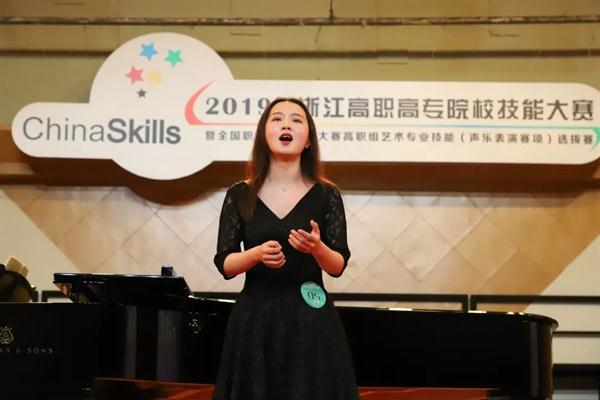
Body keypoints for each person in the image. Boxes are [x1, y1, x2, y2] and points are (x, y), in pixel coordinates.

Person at [212, 97, 359, 400]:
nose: (286, 125)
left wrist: (317, 248)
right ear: (264, 134)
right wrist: (255, 255)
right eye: (277, 119)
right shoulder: (239, 194)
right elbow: (225, 264)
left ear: (308, 140)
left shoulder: (327, 194)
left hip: (311, 320)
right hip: (255, 320)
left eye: (296, 120)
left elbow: (337, 265)